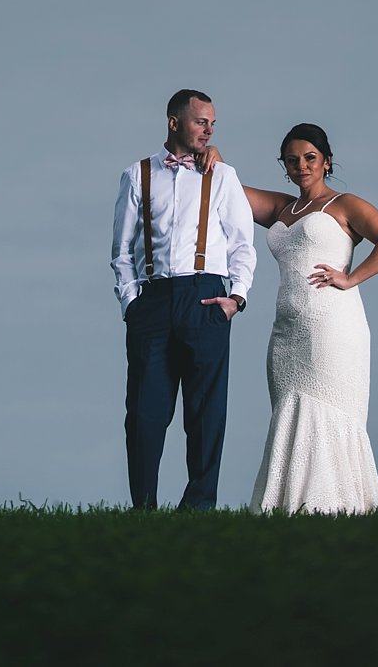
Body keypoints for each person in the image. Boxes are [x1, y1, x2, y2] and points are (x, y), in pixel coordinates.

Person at [205, 123, 378, 514]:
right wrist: (215, 157)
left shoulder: (344, 204)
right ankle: (288, 506)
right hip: (287, 331)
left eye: (310, 158)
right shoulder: (284, 208)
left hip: (333, 325)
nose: (301, 166)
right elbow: (228, 193)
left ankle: (335, 505)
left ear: (326, 162)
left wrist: (350, 278)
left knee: (328, 412)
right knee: (289, 413)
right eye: (292, 160)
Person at [111, 89, 256, 509]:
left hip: (207, 297)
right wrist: (131, 305)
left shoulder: (223, 176)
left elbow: (242, 245)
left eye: (212, 123)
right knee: (144, 413)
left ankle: (198, 510)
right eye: (200, 122)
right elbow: (122, 251)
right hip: (152, 303)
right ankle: (144, 509)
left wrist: (236, 298)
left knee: (207, 413)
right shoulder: (136, 175)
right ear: (174, 122)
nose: (209, 130)